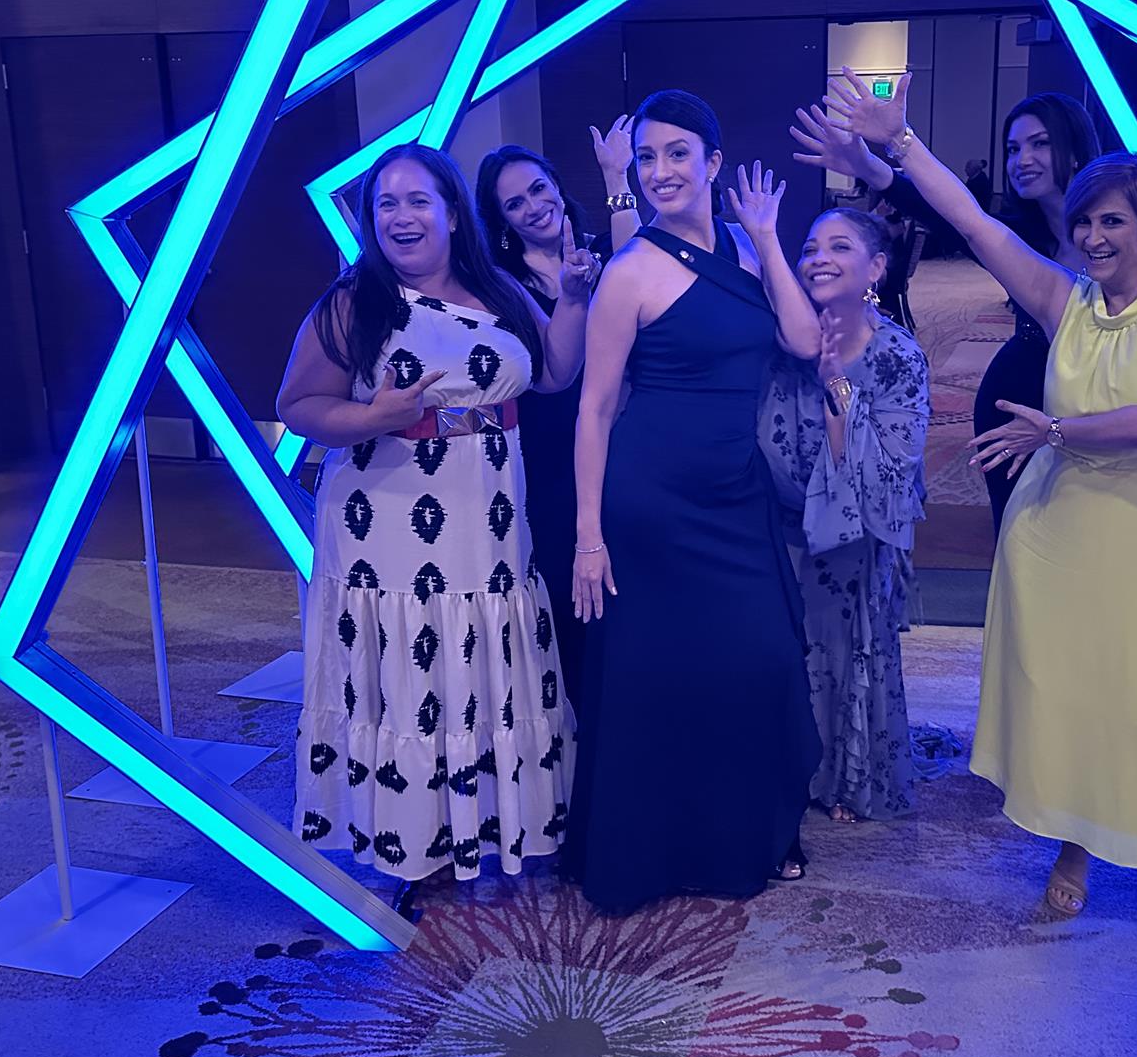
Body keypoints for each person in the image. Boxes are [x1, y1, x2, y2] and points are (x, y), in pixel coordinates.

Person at [825, 69, 1137, 921]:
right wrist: (899, 141)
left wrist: (1055, 430)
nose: (1091, 236)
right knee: (1071, 693)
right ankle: (1074, 845)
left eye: (1112, 221)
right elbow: (973, 223)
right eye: (1084, 221)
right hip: (1054, 531)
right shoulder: (1066, 298)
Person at [278, 142, 598, 894]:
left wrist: (575, 299)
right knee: (416, 672)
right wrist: (373, 415)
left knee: (483, 667)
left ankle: (491, 824)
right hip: (384, 521)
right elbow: (297, 405)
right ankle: (417, 847)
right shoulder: (354, 302)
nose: (402, 216)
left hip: (488, 517)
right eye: (386, 204)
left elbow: (554, 373)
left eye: (418, 200)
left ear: (453, 213)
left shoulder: (498, 289)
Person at [564, 88, 824, 914]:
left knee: (761, 660)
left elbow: (803, 340)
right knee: (658, 675)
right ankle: (655, 852)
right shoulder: (629, 271)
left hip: (736, 494)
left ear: (713, 162)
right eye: (647, 157)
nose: (661, 170)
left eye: (678, 153)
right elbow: (595, 409)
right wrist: (588, 535)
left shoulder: (746, 254)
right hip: (652, 499)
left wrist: (768, 238)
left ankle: (738, 833)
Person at [792, 95, 1137, 532]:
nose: (1093, 237)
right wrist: (887, 152)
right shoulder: (1036, 257)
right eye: (1013, 149)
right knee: (1024, 531)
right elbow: (961, 219)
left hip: (1116, 418)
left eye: (1039, 144)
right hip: (1024, 394)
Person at [761, 206, 930, 822]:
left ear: (875, 268)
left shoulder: (897, 355)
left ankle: (844, 776)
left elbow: (890, 476)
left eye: (838, 247)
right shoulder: (784, 338)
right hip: (779, 525)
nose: (818, 259)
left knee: (838, 644)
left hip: (854, 540)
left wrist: (837, 390)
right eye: (810, 248)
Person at [475, 142, 610, 707]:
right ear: (502, 221)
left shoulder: (607, 252)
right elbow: (547, 373)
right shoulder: (500, 286)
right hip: (548, 456)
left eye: (537, 189)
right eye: (514, 204)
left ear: (556, 184)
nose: (533, 207)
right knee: (569, 596)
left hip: (620, 444)